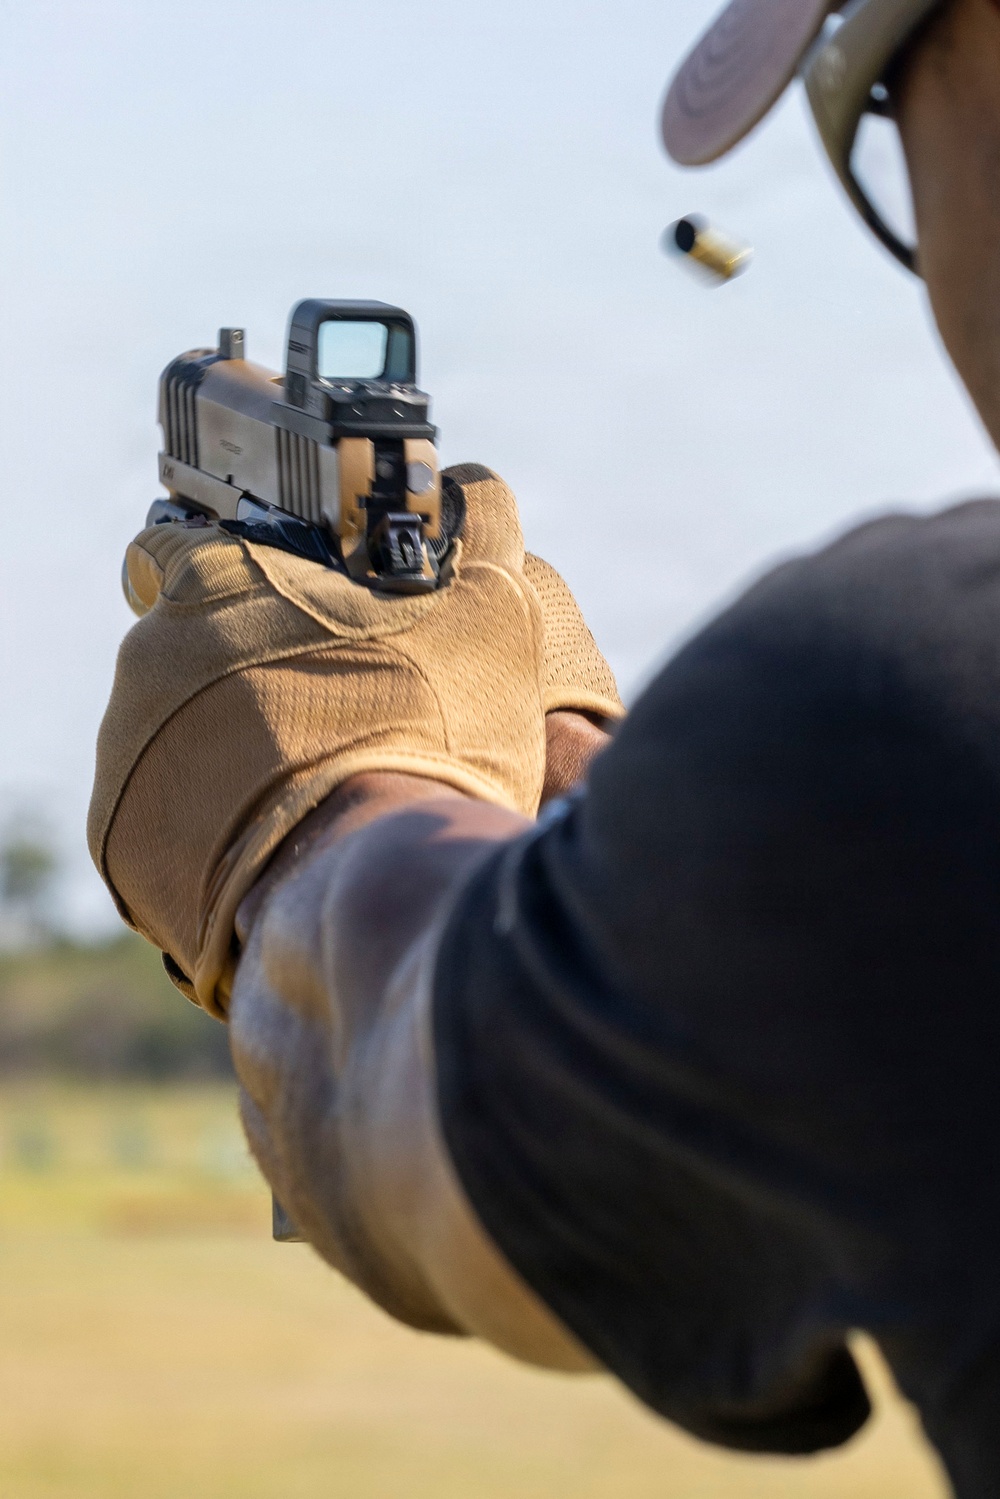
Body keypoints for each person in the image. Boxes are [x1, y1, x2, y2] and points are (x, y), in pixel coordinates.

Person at [89, 0, 1000, 1491]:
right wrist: (569, 740)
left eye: (876, 100)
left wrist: (319, 775)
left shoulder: (909, 709)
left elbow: (386, 1068)